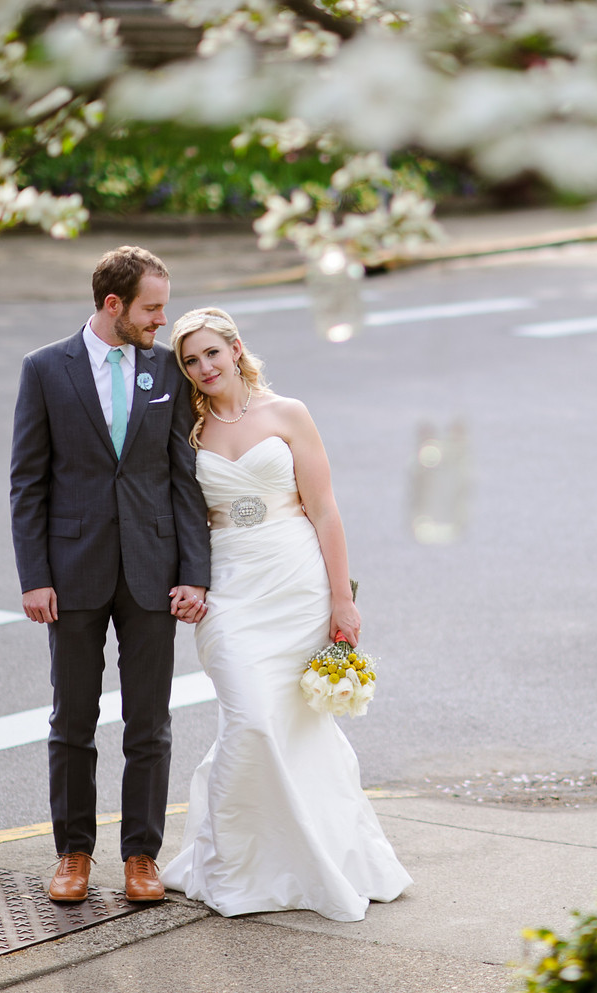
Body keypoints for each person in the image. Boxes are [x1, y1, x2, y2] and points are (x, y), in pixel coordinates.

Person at [160, 307, 411, 922]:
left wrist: (341, 599)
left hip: (296, 580)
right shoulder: (183, 428)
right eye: (191, 361)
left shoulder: (288, 414)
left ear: (236, 348)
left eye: (212, 353)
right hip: (230, 589)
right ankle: (235, 867)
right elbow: (172, 515)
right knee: (249, 720)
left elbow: (324, 510)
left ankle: (317, 857)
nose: (203, 368)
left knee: (296, 726)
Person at [9, 246, 212, 904]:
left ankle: (140, 856)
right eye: (152, 307)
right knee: (72, 719)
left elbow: (184, 478)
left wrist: (195, 573)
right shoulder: (44, 369)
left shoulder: (167, 370)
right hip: (72, 572)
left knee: (149, 722)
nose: (164, 319)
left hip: (154, 570)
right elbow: (28, 481)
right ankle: (72, 853)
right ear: (113, 304)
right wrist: (35, 574)